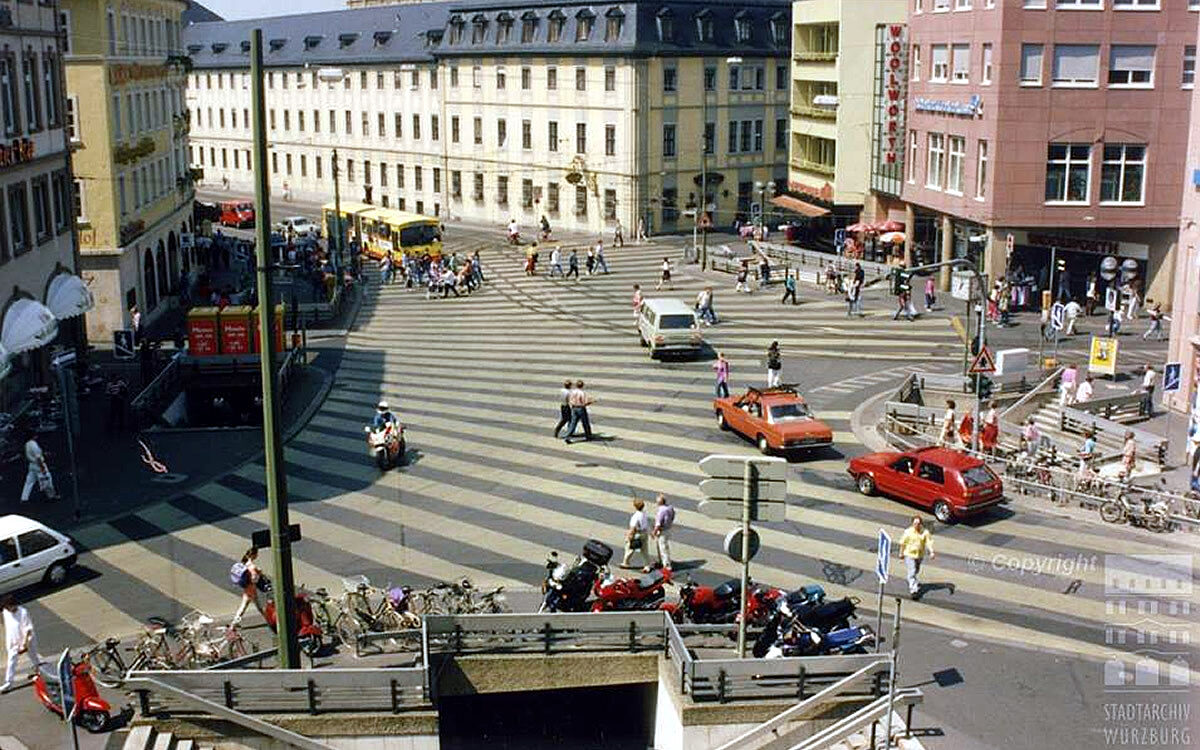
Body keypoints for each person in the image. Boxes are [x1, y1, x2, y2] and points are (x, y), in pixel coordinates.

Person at [2, 596, 41, 692]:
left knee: (34, 658)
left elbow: (28, 630)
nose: (8, 609)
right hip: (13, 641)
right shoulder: (6, 612)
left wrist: (25, 644)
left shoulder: (23, 612)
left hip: (27, 641)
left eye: (9, 607)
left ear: (13, 605)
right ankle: (8, 683)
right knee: (11, 662)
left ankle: (41, 674)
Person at [897, 517, 934, 600]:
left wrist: (931, 552)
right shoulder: (908, 532)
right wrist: (901, 553)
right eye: (915, 523)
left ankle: (913, 580)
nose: (916, 525)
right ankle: (914, 590)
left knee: (916, 570)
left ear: (921, 524)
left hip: (919, 555)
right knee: (912, 571)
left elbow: (929, 542)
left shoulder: (925, 532)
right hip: (909, 554)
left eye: (918, 524)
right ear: (912, 524)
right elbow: (903, 543)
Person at [231, 548, 265, 626]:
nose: (257, 555)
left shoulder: (245, 563)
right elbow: (254, 579)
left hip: (247, 588)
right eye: (256, 554)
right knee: (248, 606)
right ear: (253, 555)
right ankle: (233, 624)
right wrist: (259, 573)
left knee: (251, 605)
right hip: (251, 588)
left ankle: (235, 622)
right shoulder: (252, 566)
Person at [20, 433, 55, 503]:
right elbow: (38, 457)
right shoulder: (34, 444)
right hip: (38, 464)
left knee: (29, 482)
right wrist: (42, 467)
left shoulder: (27, 444)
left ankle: (24, 498)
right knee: (46, 479)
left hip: (31, 464)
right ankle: (51, 496)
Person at [620, 498, 652, 570]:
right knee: (644, 550)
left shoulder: (635, 516)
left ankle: (625, 562)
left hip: (637, 534)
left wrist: (630, 536)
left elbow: (633, 528)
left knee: (629, 548)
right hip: (644, 532)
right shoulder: (644, 514)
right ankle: (647, 565)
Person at [651, 494, 675, 571]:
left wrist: (654, 532)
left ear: (659, 503)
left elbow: (658, 524)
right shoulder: (670, 507)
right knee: (662, 547)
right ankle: (662, 561)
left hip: (662, 531)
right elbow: (673, 516)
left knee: (663, 548)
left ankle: (667, 565)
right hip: (668, 529)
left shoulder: (661, 511)